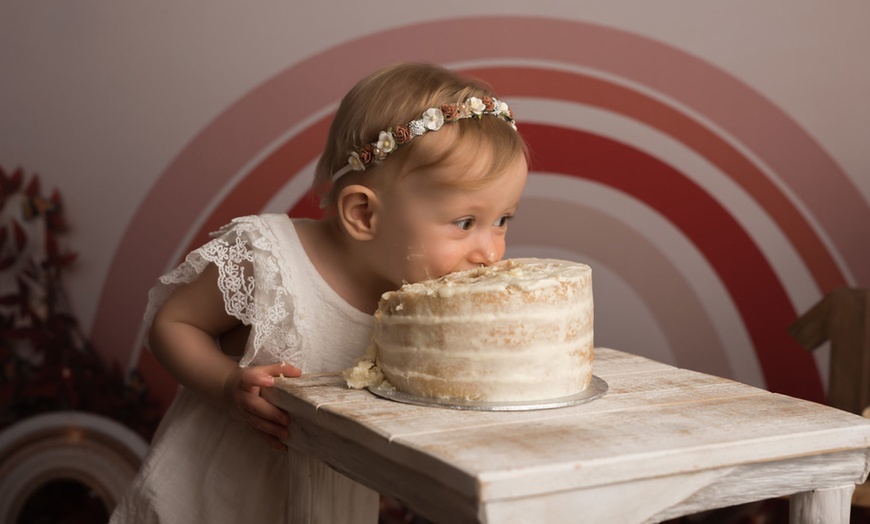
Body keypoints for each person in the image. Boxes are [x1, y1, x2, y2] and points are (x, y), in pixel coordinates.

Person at [110, 61, 529, 523]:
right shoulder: (268, 260)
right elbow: (173, 323)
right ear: (364, 215)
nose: (490, 252)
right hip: (208, 502)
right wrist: (228, 384)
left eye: (503, 221)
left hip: (326, 504)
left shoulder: (426, 309)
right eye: (465, 223)